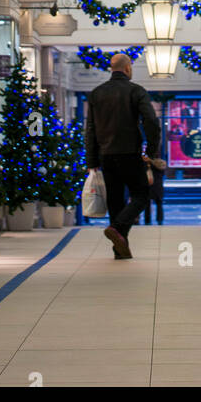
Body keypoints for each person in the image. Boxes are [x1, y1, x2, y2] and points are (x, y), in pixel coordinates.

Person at [85, 52, 161, 259]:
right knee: (142, 195)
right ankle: (117, 228)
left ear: (112, 68)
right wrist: (151, 151)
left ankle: (120, 250)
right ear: (128, 69)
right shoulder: (136, 91)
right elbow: (151, 122)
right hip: (130, 153)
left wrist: (92, 160)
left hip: (106, 155)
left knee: (115, 200)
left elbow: (90, 128)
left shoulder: (96, 93)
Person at [143, 160, 165, 226]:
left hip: (149, 186)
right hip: (158, 187)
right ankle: (160, 220)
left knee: (147, 204)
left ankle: (147, 220)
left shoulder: (148, 165)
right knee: (159, 204)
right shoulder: (161, 165)